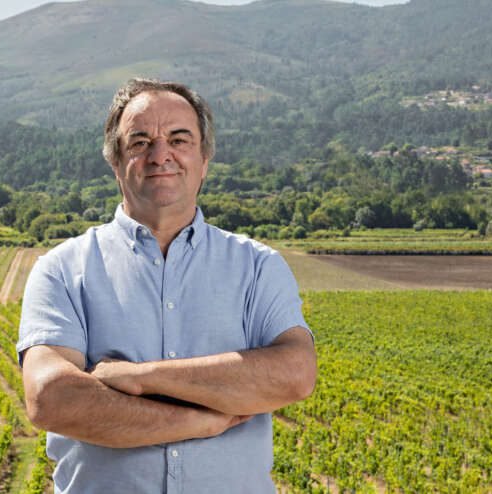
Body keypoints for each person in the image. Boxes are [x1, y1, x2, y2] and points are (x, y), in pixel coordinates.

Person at [17, 78, 316, 493]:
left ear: (204, 159)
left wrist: (139, 377)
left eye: (179, 140)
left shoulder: (258, 267)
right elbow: (51, 398)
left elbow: (295, 374)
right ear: (115, 162)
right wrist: (199, 422)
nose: (161, 156)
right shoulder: (61, 269)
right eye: (140, 142)